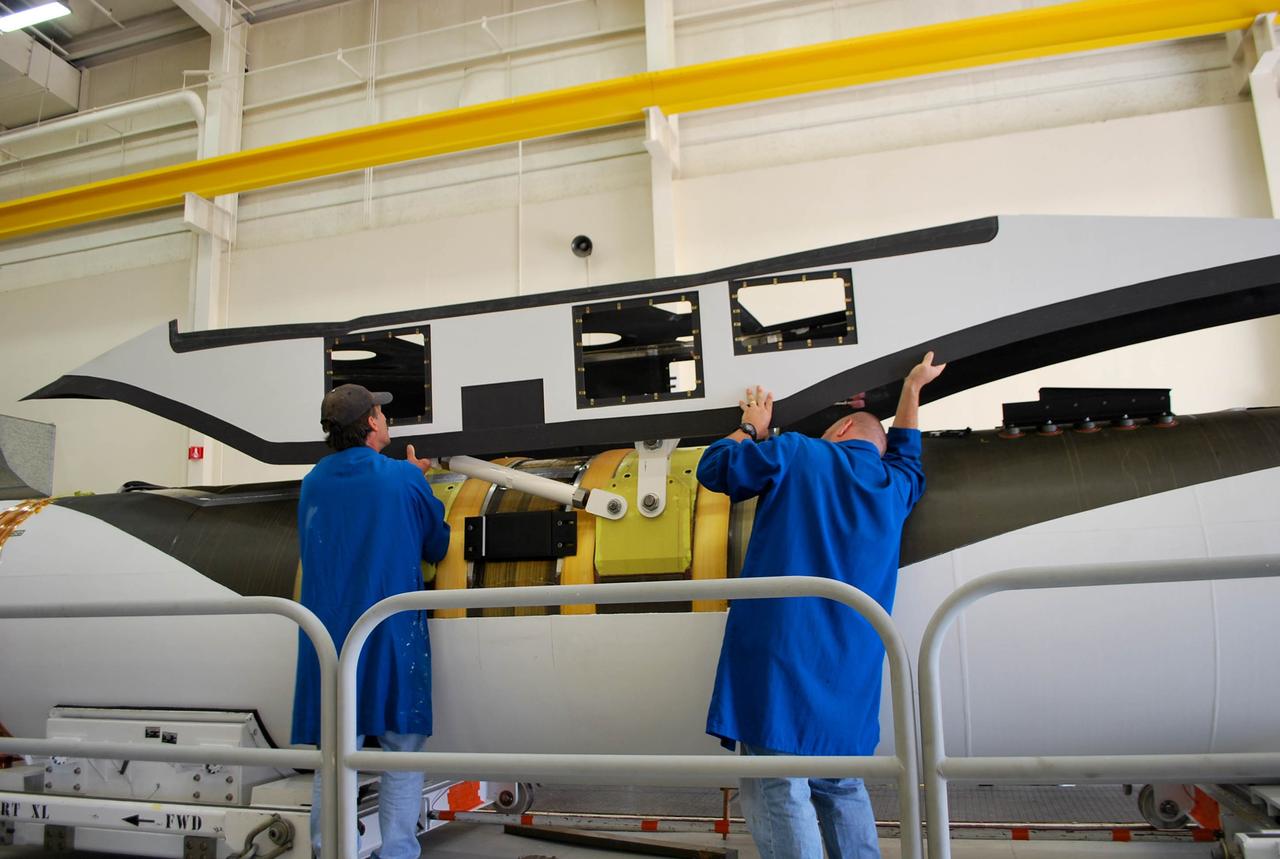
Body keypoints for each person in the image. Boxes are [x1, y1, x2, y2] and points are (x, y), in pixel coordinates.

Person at [696, 352, 946, 859]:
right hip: (850, 672)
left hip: (781, 660)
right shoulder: (895, 488)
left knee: (780, 786)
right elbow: (907, 456)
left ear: (844, 426)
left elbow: (715, 468)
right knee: (842, 786)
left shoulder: (798, 453)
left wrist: (752, 425)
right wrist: (911, 390)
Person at [291, 383, 450, 859]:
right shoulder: (399, 479)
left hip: (327, 639)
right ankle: (398, 851)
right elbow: (436, 545)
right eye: (381, 411)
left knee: (336, 757)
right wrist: (418, 480)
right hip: (389, 635)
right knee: (402, 751)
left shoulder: (313, 481)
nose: (385, 418)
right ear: (371, 424)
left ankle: (329, 849)